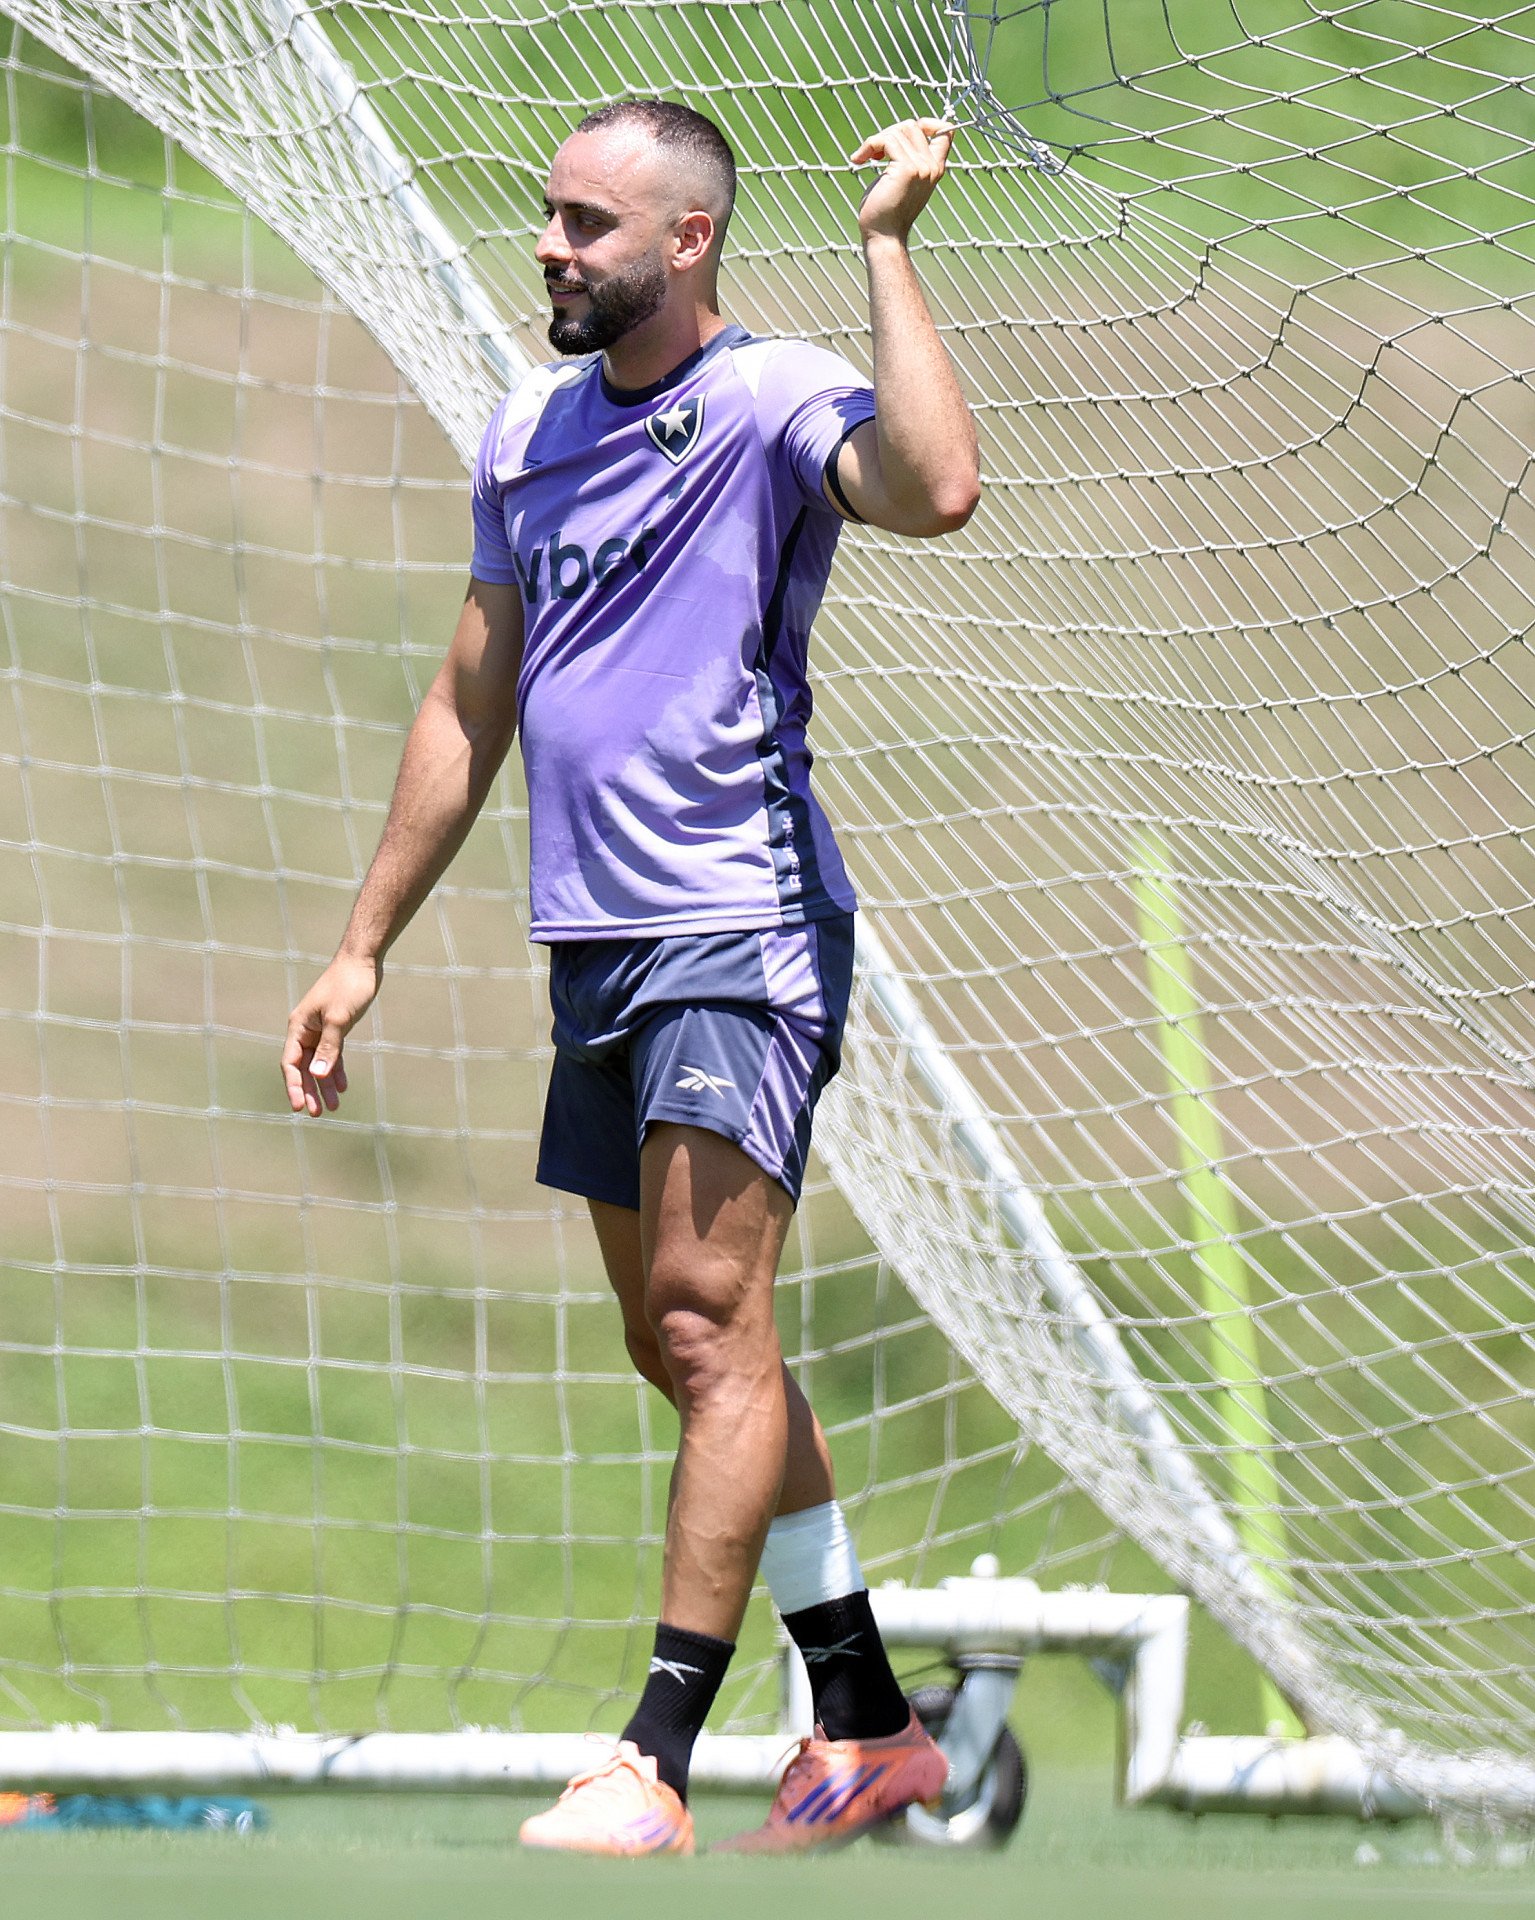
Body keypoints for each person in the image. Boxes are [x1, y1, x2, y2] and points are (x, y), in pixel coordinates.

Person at [281, 98, 979, 1857]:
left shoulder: (766, 399)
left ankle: (649, 1759)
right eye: (548, 214)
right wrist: (362, 947)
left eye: (589, 222)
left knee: (699, 1321)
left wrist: (890, 247)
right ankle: (876, 1727)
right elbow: (467, 702)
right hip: (591, 942)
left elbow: (935, 488)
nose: (550, 246)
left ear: (685, 242)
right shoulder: (524, 431)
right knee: (690, 1348)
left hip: (736, 921)